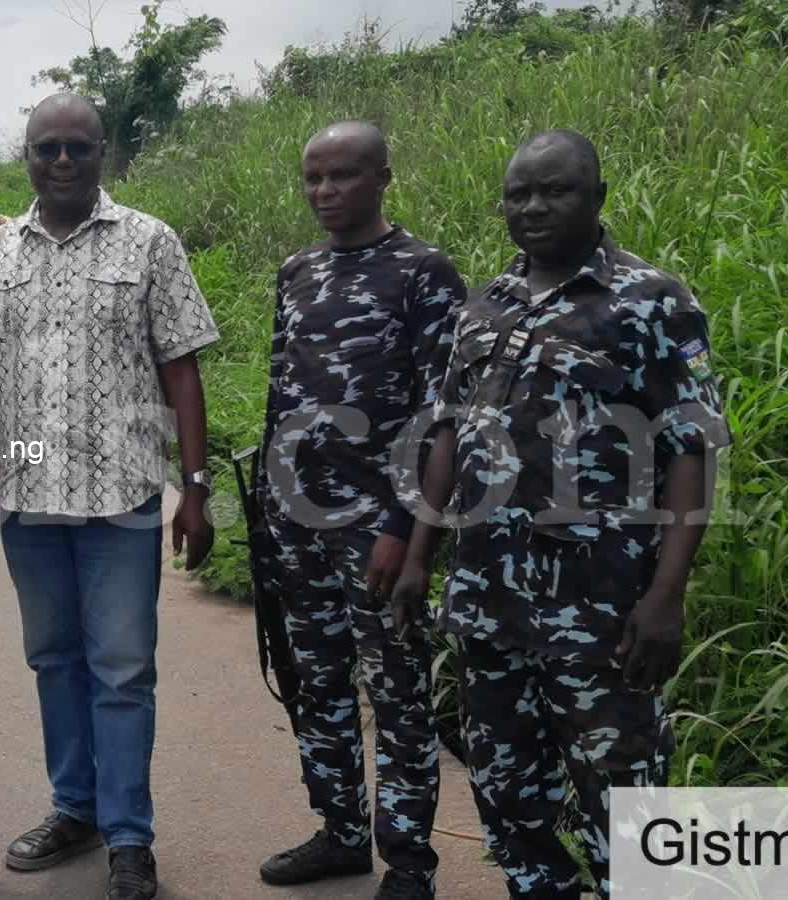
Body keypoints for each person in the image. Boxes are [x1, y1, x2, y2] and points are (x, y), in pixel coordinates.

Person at [395, 130, 729, 900]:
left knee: (622, 796)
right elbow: (445, 432)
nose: (534, 207)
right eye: (519, 194)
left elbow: (691, 449)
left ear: (597, 198)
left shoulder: (651, 302)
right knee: (507, 788)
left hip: (602, 612)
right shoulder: (485, 306)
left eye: (556, 191)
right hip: (488, 605)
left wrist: (666, 596)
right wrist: (418, 556)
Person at [0, 93, 218, 900]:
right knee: (54, 663)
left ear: (103, 154)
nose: (61, 162)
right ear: (25, 157)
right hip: (30, 502)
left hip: (122, 500)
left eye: (77, 148)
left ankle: (129, 837)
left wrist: (195, 489)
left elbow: (181, 367)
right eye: (46, 149)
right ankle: (74, 809)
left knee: (123, 672)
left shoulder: (148, 242)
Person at [252, 122, 465, 900]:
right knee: (315, 684)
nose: (324, 192)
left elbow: (441, 414)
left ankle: (408, 864)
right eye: (312, 178)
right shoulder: (296, 271)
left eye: (341, 176)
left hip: (375, 529)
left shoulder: (423, 274)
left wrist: (402, 528)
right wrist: (272, 515)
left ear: (382, 177)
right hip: (296, 522)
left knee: (398, 694)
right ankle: (339, 832)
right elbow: (282, 396)